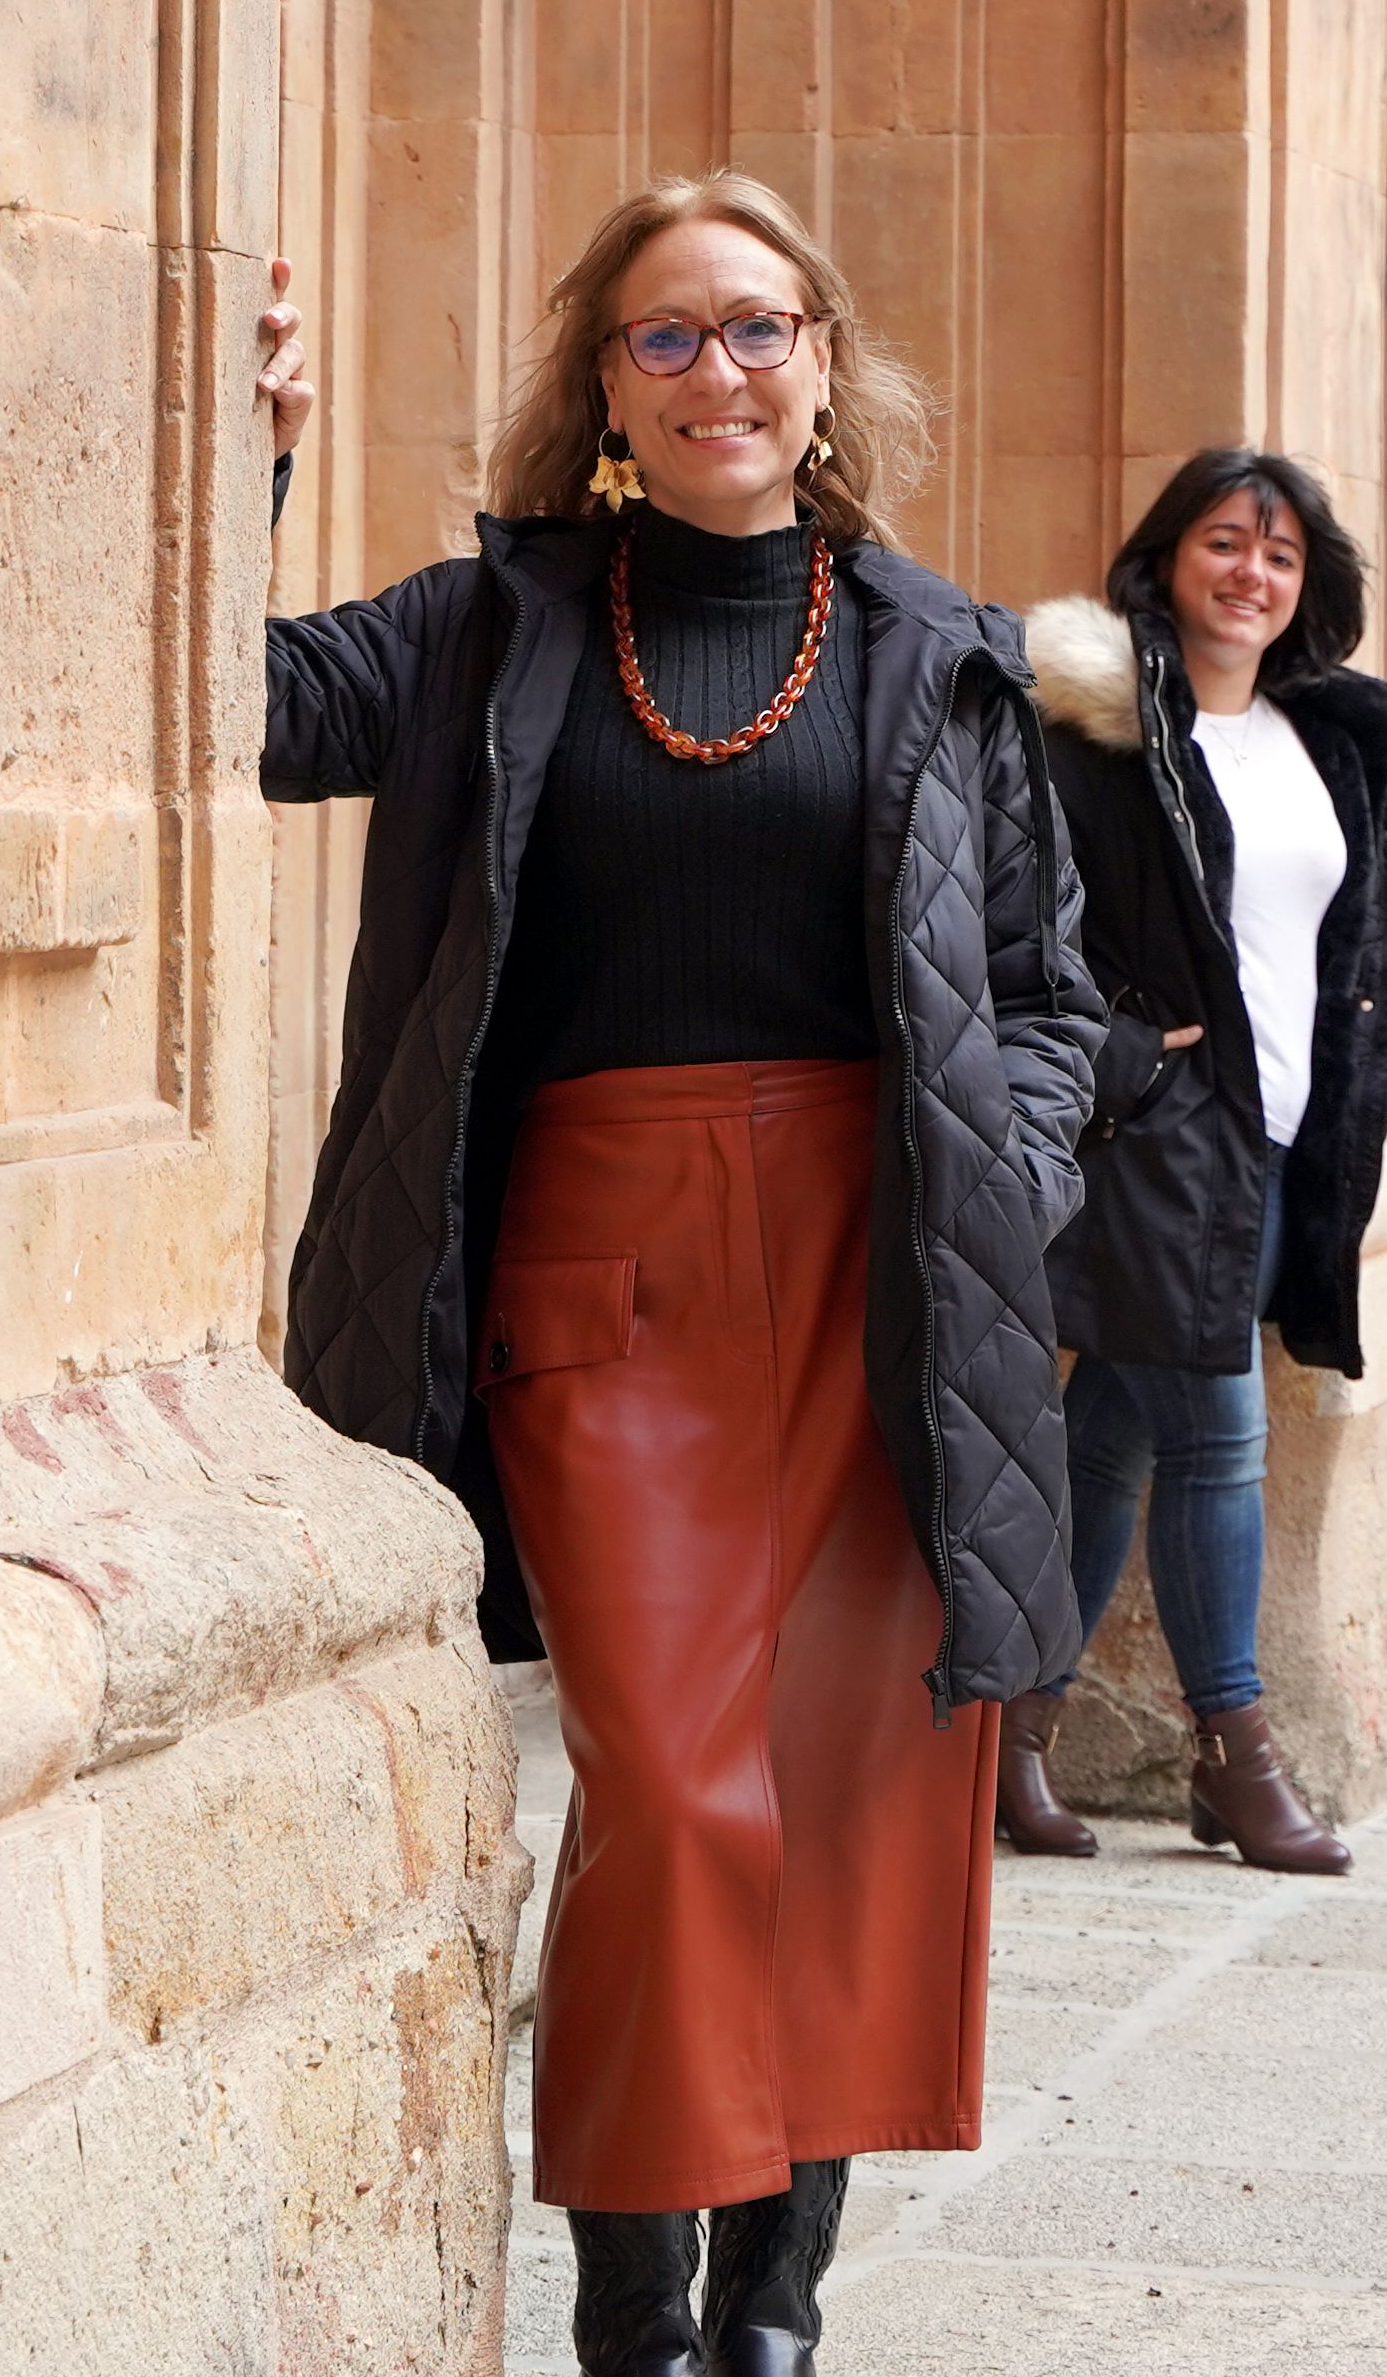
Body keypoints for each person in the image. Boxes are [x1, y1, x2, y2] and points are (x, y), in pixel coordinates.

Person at [258, 175, 1101, 2377]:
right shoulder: (487, 628)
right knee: (671, 1786)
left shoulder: (937, 647)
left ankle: (772, 2318)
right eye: (666, 337)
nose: (718, 370)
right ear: (606, 390)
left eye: (756, 327)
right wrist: (234, 454)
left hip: (881, 1268)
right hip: (597, 1269)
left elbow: (1045, 991)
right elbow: (238, 707)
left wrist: (1001, 1173)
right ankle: (633, 2324)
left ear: (823, 360)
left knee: (835, 1788)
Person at [1006, 453, 1387, 1871]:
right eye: (1224, 543)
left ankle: (1008, 1738)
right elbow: (1025, 925)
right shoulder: (1100, 732)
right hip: (1159, 1136)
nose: (1250, 574)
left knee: (1118, 1433)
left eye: (1278, 554)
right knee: (1218, 1435)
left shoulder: (1319, 740)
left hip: (1281, 1138)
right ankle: (1235, 1760)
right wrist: (1124, 1054)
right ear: (1169, 557)